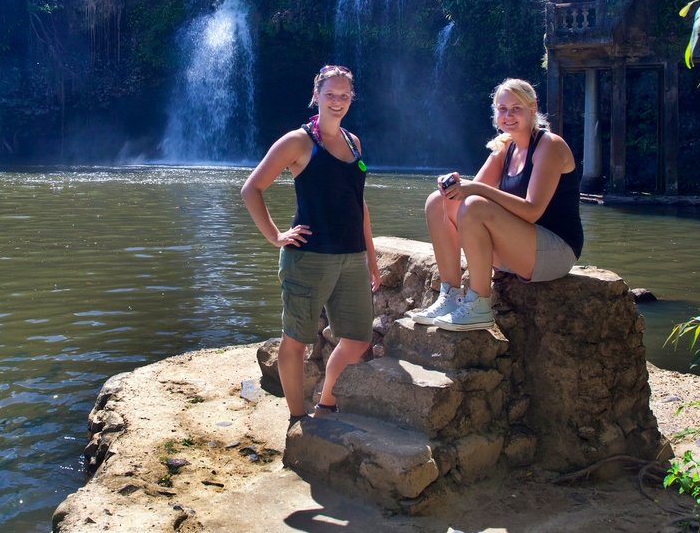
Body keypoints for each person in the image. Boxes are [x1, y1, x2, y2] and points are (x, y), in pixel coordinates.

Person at [241, 65, 380, 426]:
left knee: (358, 339)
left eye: (344, 96)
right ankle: (297, 418)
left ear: (352, 99)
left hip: (352, 258)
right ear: (316, 95)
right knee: (296, 342)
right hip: (308, 258)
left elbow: (358, 203)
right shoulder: (298, 142)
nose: (337, 101)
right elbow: (251, 188)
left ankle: (327, 400)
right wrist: (275, 236)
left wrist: (372, 258)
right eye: (330, 94)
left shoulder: (354, 142)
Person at [408, 77, 583, 331]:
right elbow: (464, 200)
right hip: (519, 248)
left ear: (533, 108)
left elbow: (532, 211)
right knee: (438, 201)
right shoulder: (505, 148)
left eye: (516, 108)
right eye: (502, 109)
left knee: (476, 205)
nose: (508, 115)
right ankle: (450, 295)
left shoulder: (550, 145)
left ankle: (479, 304)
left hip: (555, 251)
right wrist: (453, 185)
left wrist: (475, 189)